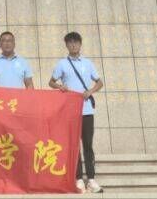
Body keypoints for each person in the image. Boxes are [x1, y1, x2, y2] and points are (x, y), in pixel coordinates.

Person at [50, 31, 103, 194]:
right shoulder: (62, 64)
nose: (73, 45)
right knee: (74, 145)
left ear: (80, 44)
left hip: (86, 110)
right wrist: (60, 87)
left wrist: (90, 91)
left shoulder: (88, 63)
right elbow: (51, 82)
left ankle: (92, 179)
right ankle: (78, 179)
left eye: (76, 42)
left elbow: (99, 82)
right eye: (70, 43)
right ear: (66, 45)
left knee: (87, 144)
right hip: (70, 112)